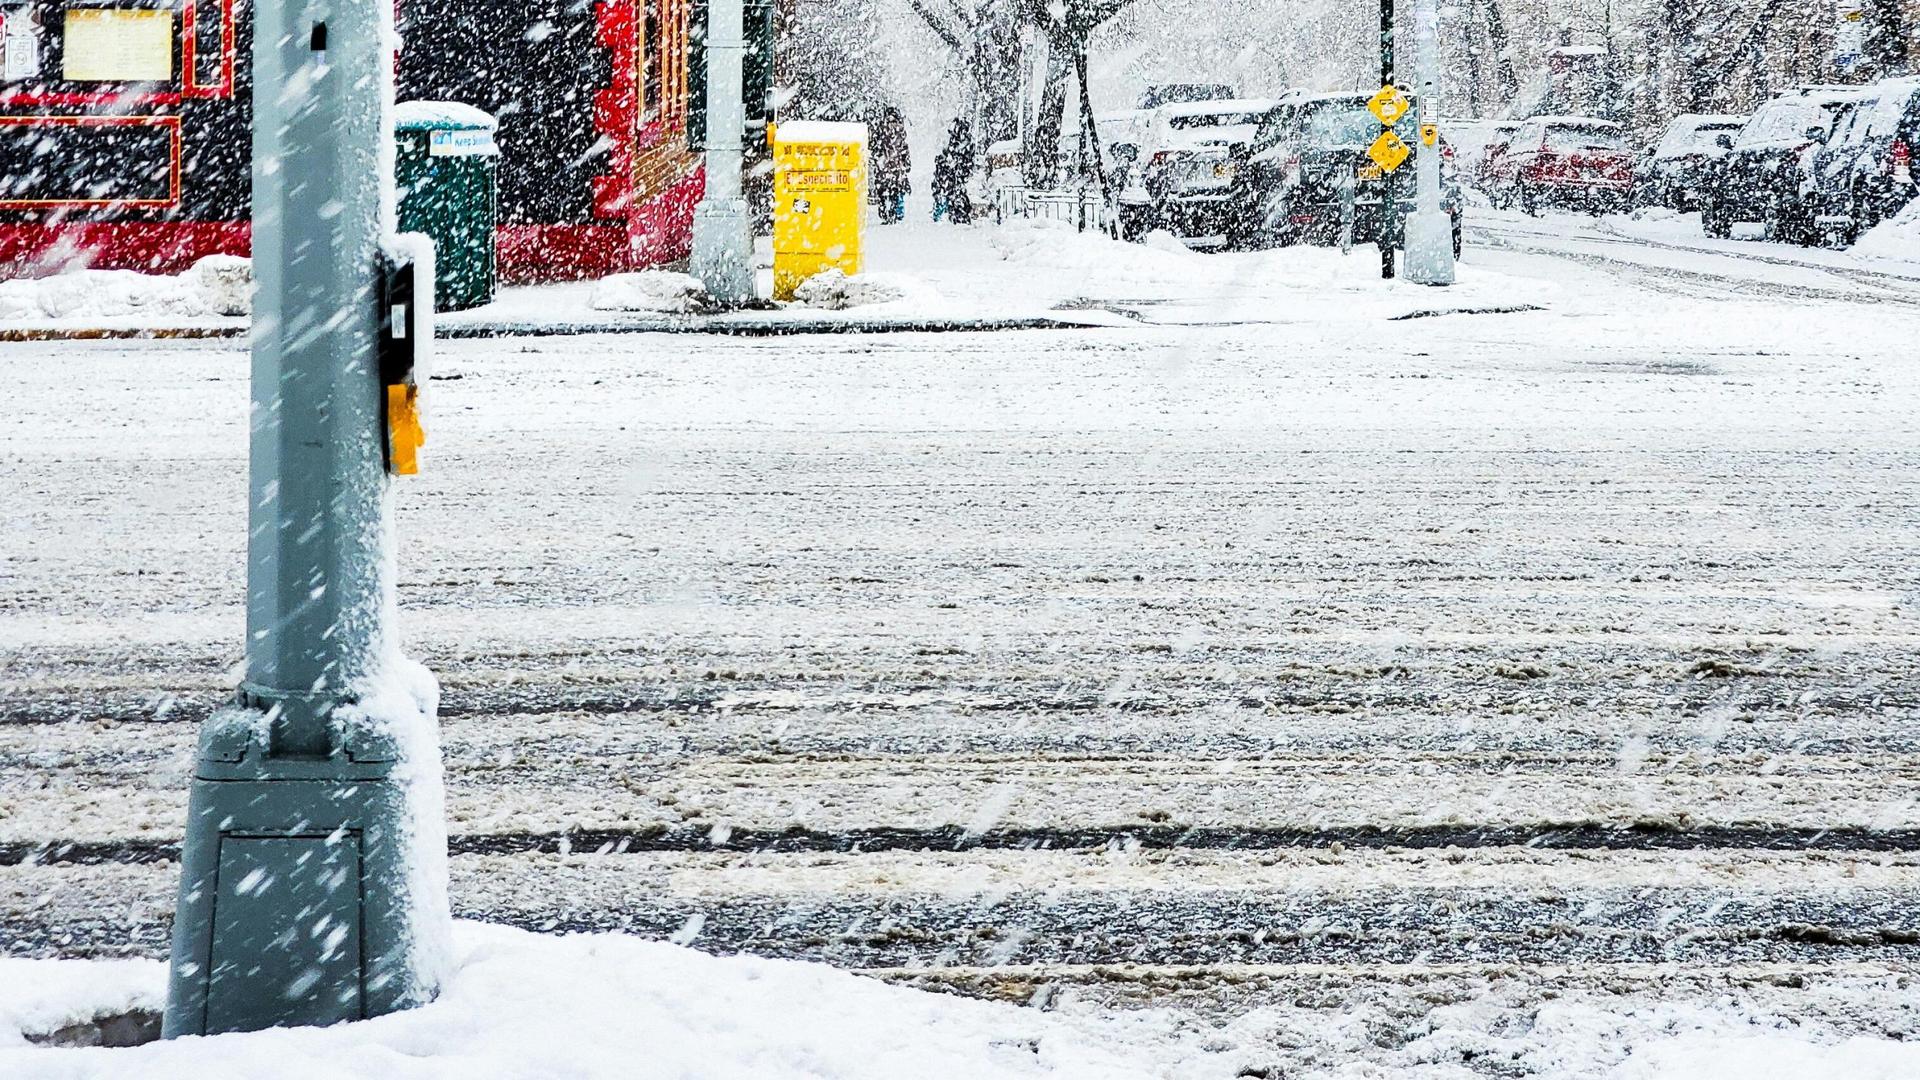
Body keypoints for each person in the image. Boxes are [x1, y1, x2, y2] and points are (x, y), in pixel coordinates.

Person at [869, 105, 910, 224]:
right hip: (894, 168)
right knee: (893, 192)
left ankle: (887, 213)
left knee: (885, 192)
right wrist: (906, 163)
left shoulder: (881, 130)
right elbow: (904, 149)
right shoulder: (899, 131)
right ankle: (892, 213)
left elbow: (874, 147)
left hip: (885, 168)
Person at [932, 120, 975, 224]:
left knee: (954, 194)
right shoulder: (955, 144)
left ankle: (955, 213)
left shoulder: (964, 145)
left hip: (957, 176)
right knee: (949, 193)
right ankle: (950, 212)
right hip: (952, 176)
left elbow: (968, 161)